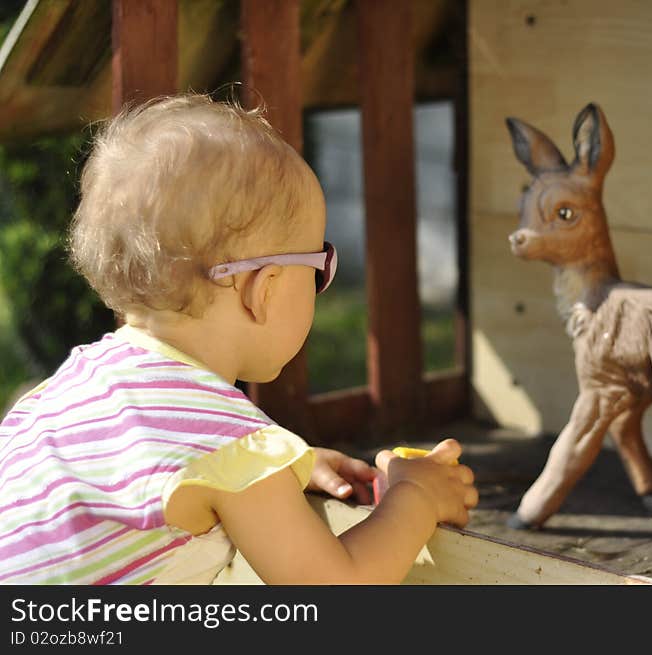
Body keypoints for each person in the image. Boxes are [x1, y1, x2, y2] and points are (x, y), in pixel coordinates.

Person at [0, 94, 478, 585]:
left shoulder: (67, 391)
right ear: (263, 288)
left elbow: (168, 464)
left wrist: (279, 471)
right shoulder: (225, 446)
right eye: (319, 266)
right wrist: (415, 496)